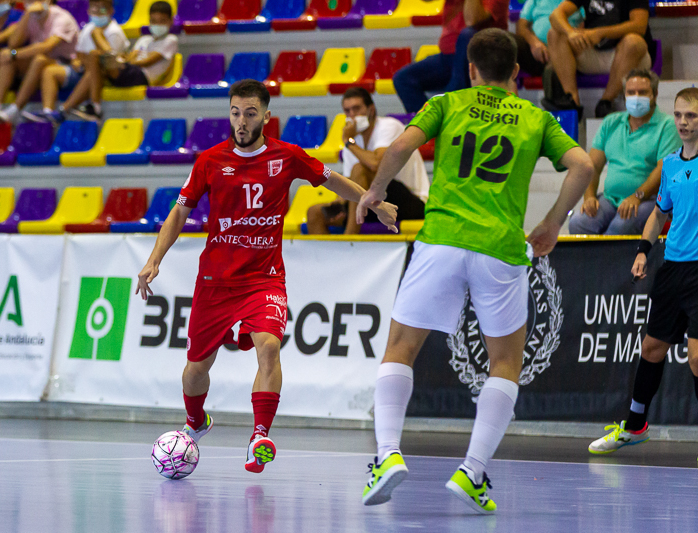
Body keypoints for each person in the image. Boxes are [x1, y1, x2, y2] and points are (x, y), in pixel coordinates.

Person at [356, 29, 593, 513]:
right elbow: (584, 166)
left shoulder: (448, 102)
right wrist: (550, 223)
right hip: (500, 248)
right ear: (516, 75)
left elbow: (399, 147)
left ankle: (387, 455)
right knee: (505, 362)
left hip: (441, 239)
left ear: (470, 69)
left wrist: (375, 192)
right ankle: (473, 470)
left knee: (400, 347)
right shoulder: (535, 116)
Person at [135, 80, 398, 474]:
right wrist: (155, 258)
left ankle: (260, 435)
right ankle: (195, 422)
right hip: (216, 282)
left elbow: (331, 179)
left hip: (264, 278)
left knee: (270, 347)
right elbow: (178, 213)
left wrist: (370, 200)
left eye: (250, 113)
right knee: (195, 369)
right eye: (236, 113)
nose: (241, 122)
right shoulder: (209, 160)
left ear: (266, 116)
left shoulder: (287, 156)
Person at [589, 87, 698, 463]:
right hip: (672, 265)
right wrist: (644, 251)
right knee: (651, 349)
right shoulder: (671, 163)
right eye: (677, 115)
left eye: (691, 116)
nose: (683, 122)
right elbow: (659, 212)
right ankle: (635, 426)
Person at [569, 69, 681, 235]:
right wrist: (589, 197)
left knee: (619, 229)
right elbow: (592, 165)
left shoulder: (668, 126)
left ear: (655, 94)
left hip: (650, 200)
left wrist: (637, 196)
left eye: (642, 92)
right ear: (624, 94)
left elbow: (663, 171)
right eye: (631, 92)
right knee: (578, 223)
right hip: (610, 199)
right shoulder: (611, 122)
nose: (636, 97)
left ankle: (609, 262)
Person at [307, 87, 428, 235]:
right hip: (375, 202)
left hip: (409, 201)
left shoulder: (388, 126)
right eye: (347, 111)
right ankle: (330, 258)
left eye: (356, 109)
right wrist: (339, 203)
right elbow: (351, 181)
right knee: (315, 213)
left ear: (371, 110)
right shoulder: (352, 142)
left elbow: (376, 165)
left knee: (360, 169)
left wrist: (349, 142)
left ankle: (349, 239)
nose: (352, 115)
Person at [0, 0, 79, 125]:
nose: (30, 2)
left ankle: (15, 109)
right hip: (41, 62)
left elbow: (46, 47)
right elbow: (13, 43)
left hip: (68, 65)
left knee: (36, 59)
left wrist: (14, 54)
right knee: (7, 56)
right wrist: (26, 15)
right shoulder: (30, 16)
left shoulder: (62, 17)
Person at [64, 0, 177, 121]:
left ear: (171, 21)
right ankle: (93, 107)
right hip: (129, 71)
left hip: (142, 76)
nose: (157, 25)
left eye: (162, 21)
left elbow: (147, 61)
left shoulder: (171, 40)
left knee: (96, 39)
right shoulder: (144, 40)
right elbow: (129, 58)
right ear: (149, 21)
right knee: (94, 56)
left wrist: (127, 60)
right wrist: (126, 60)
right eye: (154, 21)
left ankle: (73, 108)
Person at [392, 0, 509, 113]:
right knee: (403, 79)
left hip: (482, 60)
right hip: (448, 57)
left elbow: (472, 20)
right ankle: (429, 126)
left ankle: (451, 114)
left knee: (467, 35)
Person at [545, 0, 656, 118]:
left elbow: (639, 25)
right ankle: (572, 101)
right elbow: (555, 15)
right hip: (594, 53)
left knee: (633, 41)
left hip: (631, 58)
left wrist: (601, 33)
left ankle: (606, 102)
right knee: (554, 34)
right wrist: (571, 33)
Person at [30, 0, 128, 123]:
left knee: (92, 71)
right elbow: (79, 54)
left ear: (111, 11)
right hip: (84, 69)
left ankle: (65, 111)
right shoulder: (88, 28)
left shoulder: (114, 32)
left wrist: (88, 60)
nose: (97, 12)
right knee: (50, 71)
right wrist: (77, 61)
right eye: (93, 9)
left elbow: (110, 63)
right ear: (88, 11)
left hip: (104, 73)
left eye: (102, 9)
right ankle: (48, 111)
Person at [514, 0, 583, 77]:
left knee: (555, 69)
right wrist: (534, 43)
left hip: (564, 51)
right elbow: (521, 26)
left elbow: (584, 26)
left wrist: (563, 48)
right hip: (535, 51)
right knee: (504, 41)